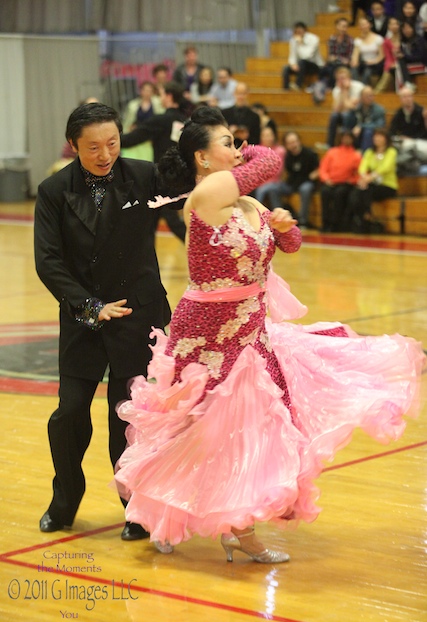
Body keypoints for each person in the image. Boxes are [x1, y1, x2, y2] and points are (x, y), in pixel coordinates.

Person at [113, 105, 424, 560]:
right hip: (207, 333)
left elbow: (291, 244)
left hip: (250, 329)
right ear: (201, 158)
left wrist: (282, 226)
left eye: (238, 142)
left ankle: (238, 530)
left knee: (247, 431)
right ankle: (167, 515)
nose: (238, 150)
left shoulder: (246, 201)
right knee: (193, 429)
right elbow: (270, 159)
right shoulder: (208, 192)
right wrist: (249, 147)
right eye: (227, 143)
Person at [34, 102, 172, 540]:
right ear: (73, 146)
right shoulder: (54, 190)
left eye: (112, 143)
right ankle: (65, 497)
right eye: (93, 146)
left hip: (137, 313)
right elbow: (48, 262)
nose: (104, 153)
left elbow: (192, 196)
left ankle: (135, 507)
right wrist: (91, 306)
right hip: (84, 317)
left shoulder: (145, 175)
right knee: (70, 413)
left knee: (127, 418)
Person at [120, 81, 188, 242]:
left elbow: (132, 139)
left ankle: (201, 252)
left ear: (169, 96)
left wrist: (109, 141)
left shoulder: (161, 120)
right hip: (177, 176)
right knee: (150, 221)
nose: (160, 98)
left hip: (162, 178)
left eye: (162, 94)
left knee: (168, 220)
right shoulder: (185, 121)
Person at [260, 132, 319, 228]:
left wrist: (313, 175)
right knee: (273, 188)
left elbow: (318, 169)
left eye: (295, 142)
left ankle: (303, 221)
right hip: (292, 183)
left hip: (306, 182)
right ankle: (280, 218)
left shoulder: (309, 153)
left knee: (305, 189)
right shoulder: (287, 156)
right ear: (286, 145)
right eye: (290, 143)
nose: (293, 145)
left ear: (299, 141)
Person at [347, 127, 398, 231]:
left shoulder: (391, 152)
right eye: (376, 136)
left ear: (386, 139)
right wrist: (364, 177)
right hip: (370, 184)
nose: (377, 139)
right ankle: (362, 218)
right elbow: (362, 167)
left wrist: (370, 178)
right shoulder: (370, 152)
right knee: (356, 192)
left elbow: (385, 168)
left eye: (380, 136)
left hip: (387, 185)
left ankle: (367, 216)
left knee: (366, 191)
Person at [319, 130, 362, 231]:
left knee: (339, 193)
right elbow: (323, 168)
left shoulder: (356, 155)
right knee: (325, 192)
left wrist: (351, 180)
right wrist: (326, 179)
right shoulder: (332, 152)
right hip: (330, 182)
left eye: (349, 137)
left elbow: (360, 173)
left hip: (344, 184)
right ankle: (325, 222)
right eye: (344, 137)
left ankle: (335, 224)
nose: (346, 139)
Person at [389, 84, 427, 171]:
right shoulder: (399, 114)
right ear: (401, 99)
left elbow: (424, 132)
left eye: (409, 96)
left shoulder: (421, 111)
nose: (408, 99)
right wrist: (400, 138)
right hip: (406, 143)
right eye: (405, 97)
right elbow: (392, 131)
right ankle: (412, 163)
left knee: (412, 147)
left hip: (420, 143)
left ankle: (406, 162)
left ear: (413, 97)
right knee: (399, 146)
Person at [325, 66, 365, 148]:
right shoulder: (336, 90)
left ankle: (346, 144)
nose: (341, 81)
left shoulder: (359, 87)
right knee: (334, 116)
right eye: (339, 79)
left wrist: (345, 91)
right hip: (343, 114)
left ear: (349, 77)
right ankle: (330, 144)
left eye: (343, 78)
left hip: (358, 115)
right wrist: (342, 92)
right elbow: (336, 109)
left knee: (346, 115)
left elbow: (351, 107)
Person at [282, 22, 325, 91]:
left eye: (300, 31)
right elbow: (292, 55)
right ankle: (285, 90)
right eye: (296, 32)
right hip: (301, 66)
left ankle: (298, 85)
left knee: (302, 62)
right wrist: (293, 64)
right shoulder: (293, 40)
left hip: (314, 65)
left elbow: (306, 56)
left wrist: (300, 43)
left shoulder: (314, 39)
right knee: (286, 68)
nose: (298, 33)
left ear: (305, 31)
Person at [347, 85, 386, 151]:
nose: (370, 98)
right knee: (346, 129)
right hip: (357, 135)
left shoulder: (379, 109)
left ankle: (364, 155)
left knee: (368, 132)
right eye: (367, 96)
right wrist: (351, 110)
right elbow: (348, 122)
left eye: (371, 95)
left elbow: (379, 125)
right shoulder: (357, 108)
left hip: (372, 135)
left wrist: (361, 126)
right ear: (361, 97)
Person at [253, 126, 286, 205]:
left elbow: (277, 171)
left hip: (275, 182)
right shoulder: (256, 150)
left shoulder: (280, 150)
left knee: (266, 190)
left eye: (269, 135)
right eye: (265, 135)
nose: (267, 138)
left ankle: (258, 213)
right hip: (258, 182)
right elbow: (255, 169)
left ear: (273, 136)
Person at [351, 16, 385, 86]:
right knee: (353, 69)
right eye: (361, 25)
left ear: (369, 25)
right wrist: (354, 61)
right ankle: (357, 87)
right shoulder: (358, 40)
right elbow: (355, 55)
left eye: (365, 24)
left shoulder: (378, 38)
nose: (363, 26)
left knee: (367, 72)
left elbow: (381, 55)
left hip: (375, 64)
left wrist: (373, 61)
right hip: (363, 63)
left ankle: (362, 89)